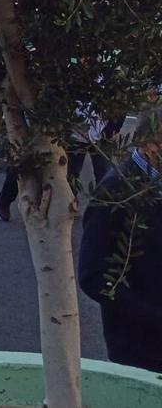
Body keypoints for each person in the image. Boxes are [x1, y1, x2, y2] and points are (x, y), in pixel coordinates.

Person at [78, 108, 162, 373]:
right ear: (150, 144)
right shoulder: (116, 191)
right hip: (139, 347)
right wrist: (152, 316)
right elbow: (93, 275)